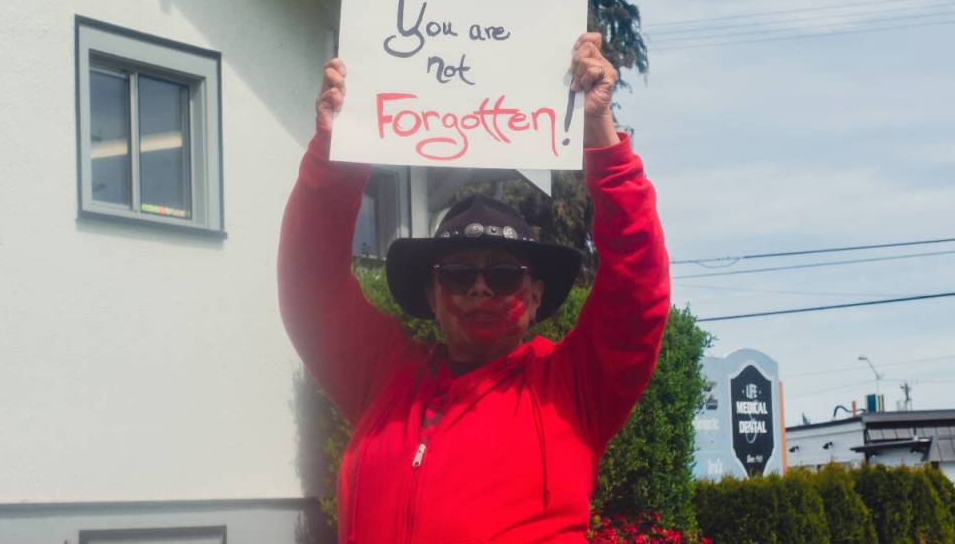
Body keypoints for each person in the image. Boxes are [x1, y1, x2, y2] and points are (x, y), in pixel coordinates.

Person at [278, 32, 670, 543]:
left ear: (535, 295)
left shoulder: (573, 387)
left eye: (504, 274)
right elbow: (310, 285)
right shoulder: (383, 375)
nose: (481, 289)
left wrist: (599, 133)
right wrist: (340, 148)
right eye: (459, 274)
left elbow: (638, 289)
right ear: (432, 295)